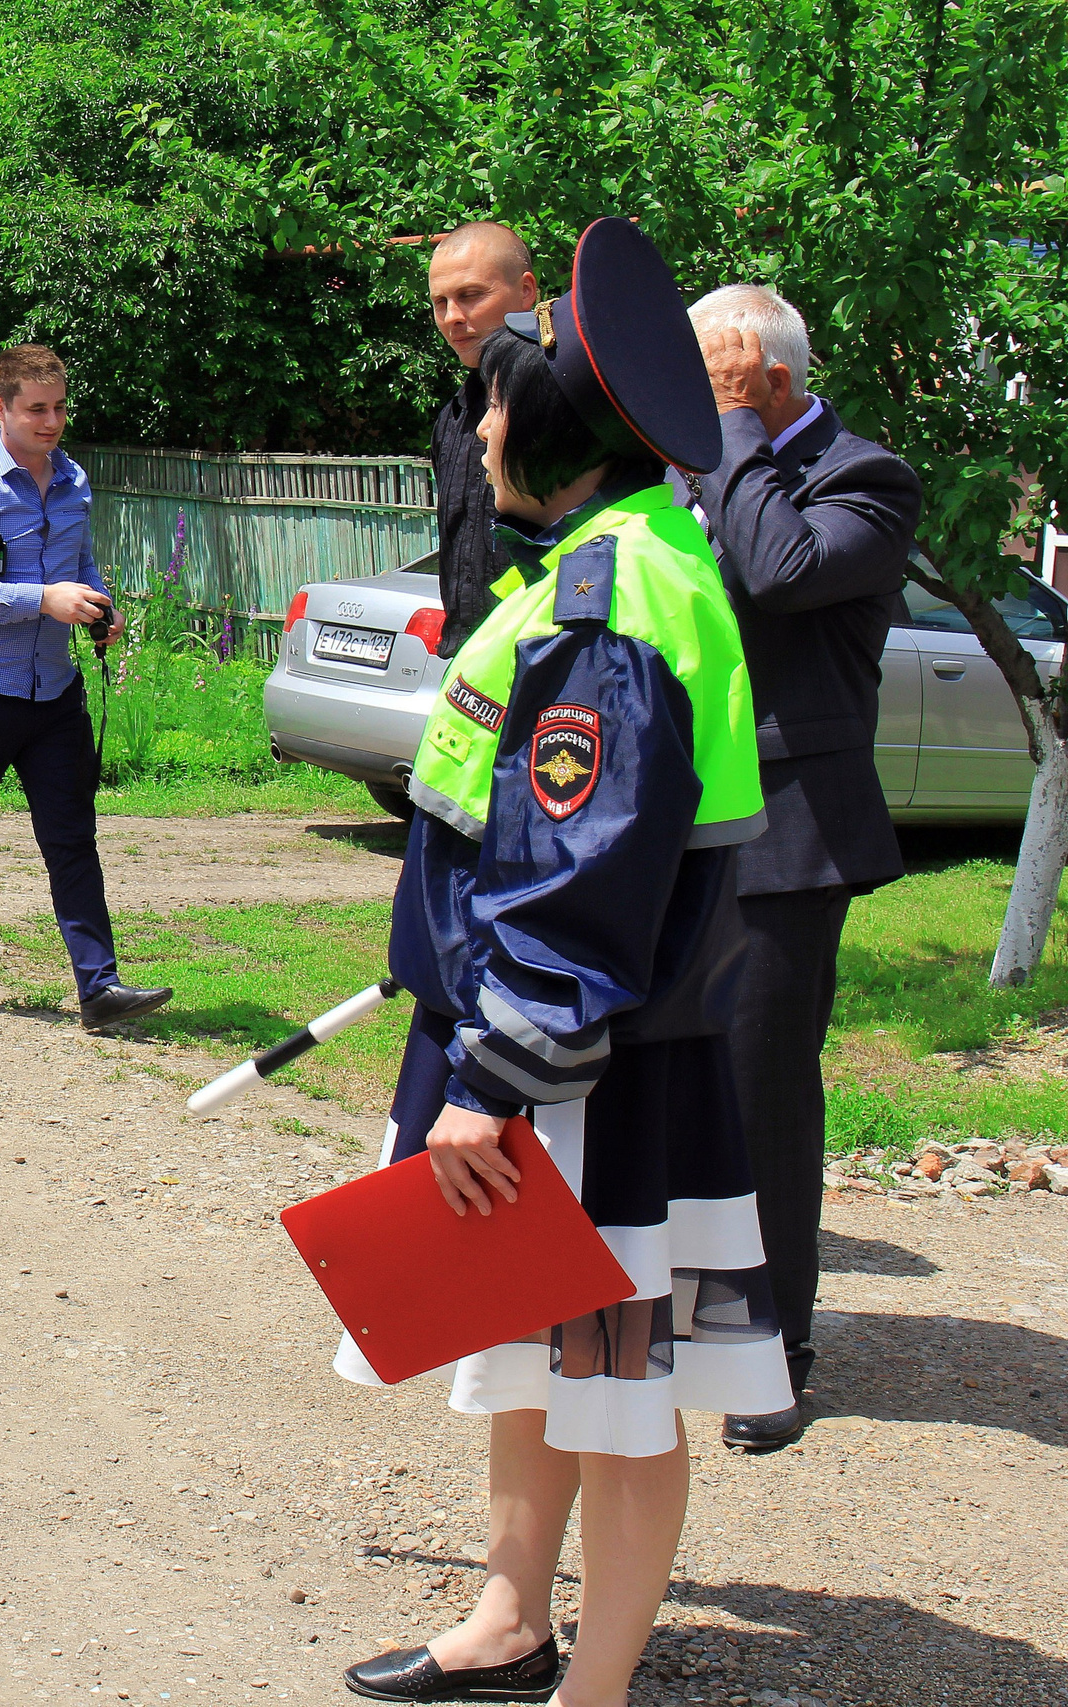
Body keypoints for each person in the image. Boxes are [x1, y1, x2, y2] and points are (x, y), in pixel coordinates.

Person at [336, 218, 791, 1707]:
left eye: (500, 399)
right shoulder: (609, 555)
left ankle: (589, 1684)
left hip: (585, 1066)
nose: (478, 418)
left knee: (616, 1389)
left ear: (560, 430)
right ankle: (508, 1614)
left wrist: (495, 1075)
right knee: (532, 1358)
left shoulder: (612, 599)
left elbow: (587, 874)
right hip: (555, 1050)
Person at [685, 284, 919, 1453]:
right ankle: (676, 1317)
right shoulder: (690, 470)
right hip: (675, 823)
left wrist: (731, 433)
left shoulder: (864, 477)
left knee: (757, 1091)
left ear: (764, 379)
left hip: (787, 831)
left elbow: (776, 571)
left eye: (713, 377)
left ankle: (773, 1344)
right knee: (665, 1085)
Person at [0, 344, 172, 1031]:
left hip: (55, 694)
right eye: (37, 409)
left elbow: (80, 564)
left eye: (59, 407)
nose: (52, 421)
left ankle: (100, 988)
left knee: (72, 838)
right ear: (0, 408)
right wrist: (43, 600)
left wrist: (99, 605)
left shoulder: (74, 481)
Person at [424, 222, 541, 659]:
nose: (453, 316)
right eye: (441, 302)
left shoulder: (568, 407)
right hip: (466, 665)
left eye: (471, 296)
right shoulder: (453, 419)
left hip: (544, 666)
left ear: (526, 291)